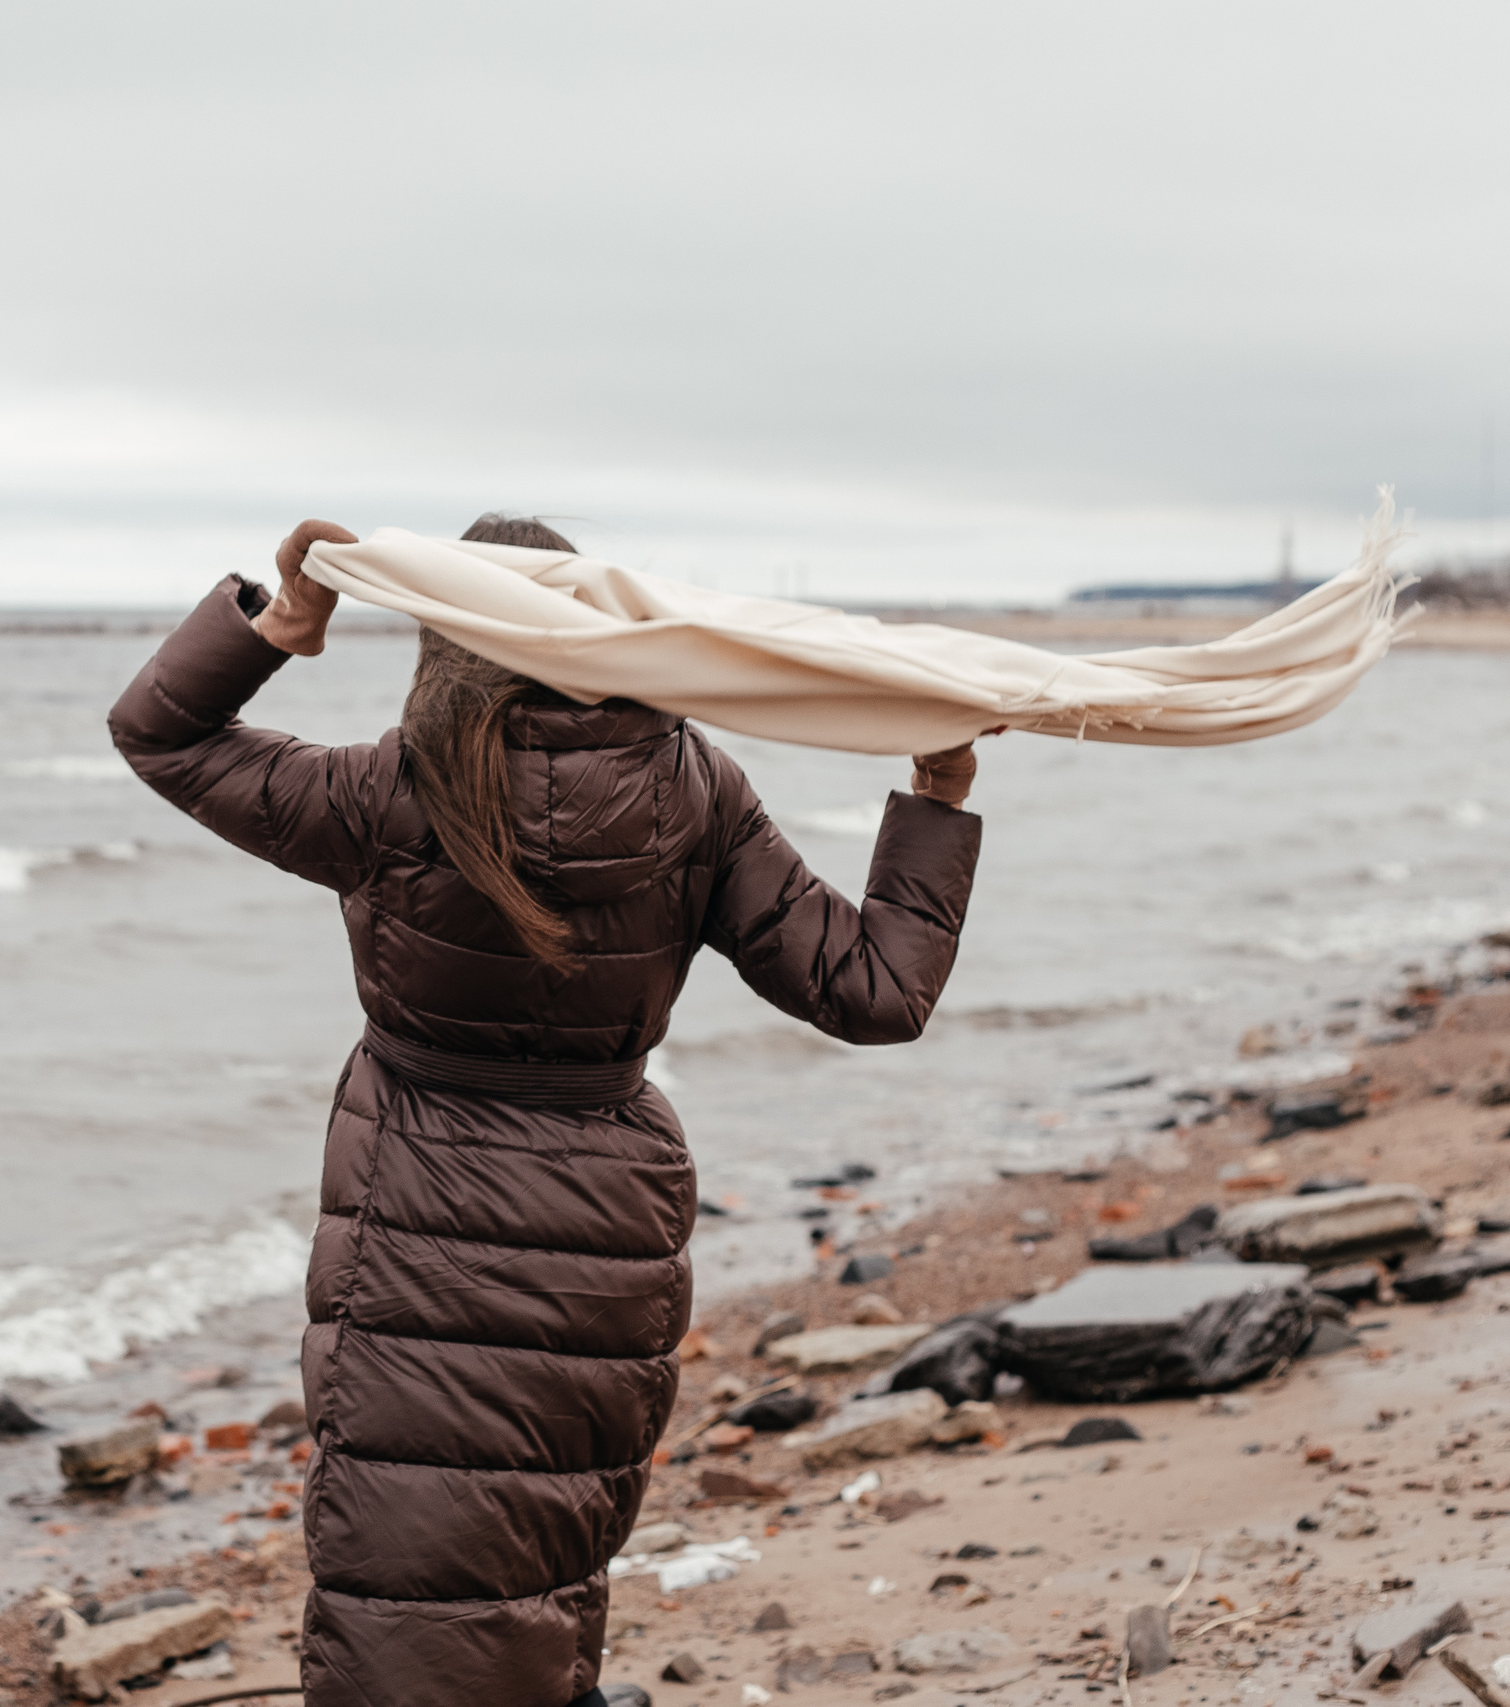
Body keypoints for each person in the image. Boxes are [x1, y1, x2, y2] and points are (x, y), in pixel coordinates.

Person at [108, 514, 984, 1707]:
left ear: (447, 636)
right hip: (604, 1225)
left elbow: (156, 734)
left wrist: (281, 624)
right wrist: (936, 790)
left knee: (400, 1569)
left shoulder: (388, 789)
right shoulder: (695, 793)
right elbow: (878, 991)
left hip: (416, 1209)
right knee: (548, 1551)